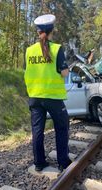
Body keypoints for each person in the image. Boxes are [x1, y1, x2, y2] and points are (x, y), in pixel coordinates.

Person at [24, 14, 71, 172]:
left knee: (37, 131)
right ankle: (63, 162)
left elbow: (29, 71)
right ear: (52, 30)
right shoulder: (57, 49)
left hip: (35, 97)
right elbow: (64, 73)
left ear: (38, 31)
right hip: (53, 97)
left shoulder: (29, 51)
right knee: (62, 128)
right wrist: (67, 68)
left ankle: (39, 163)